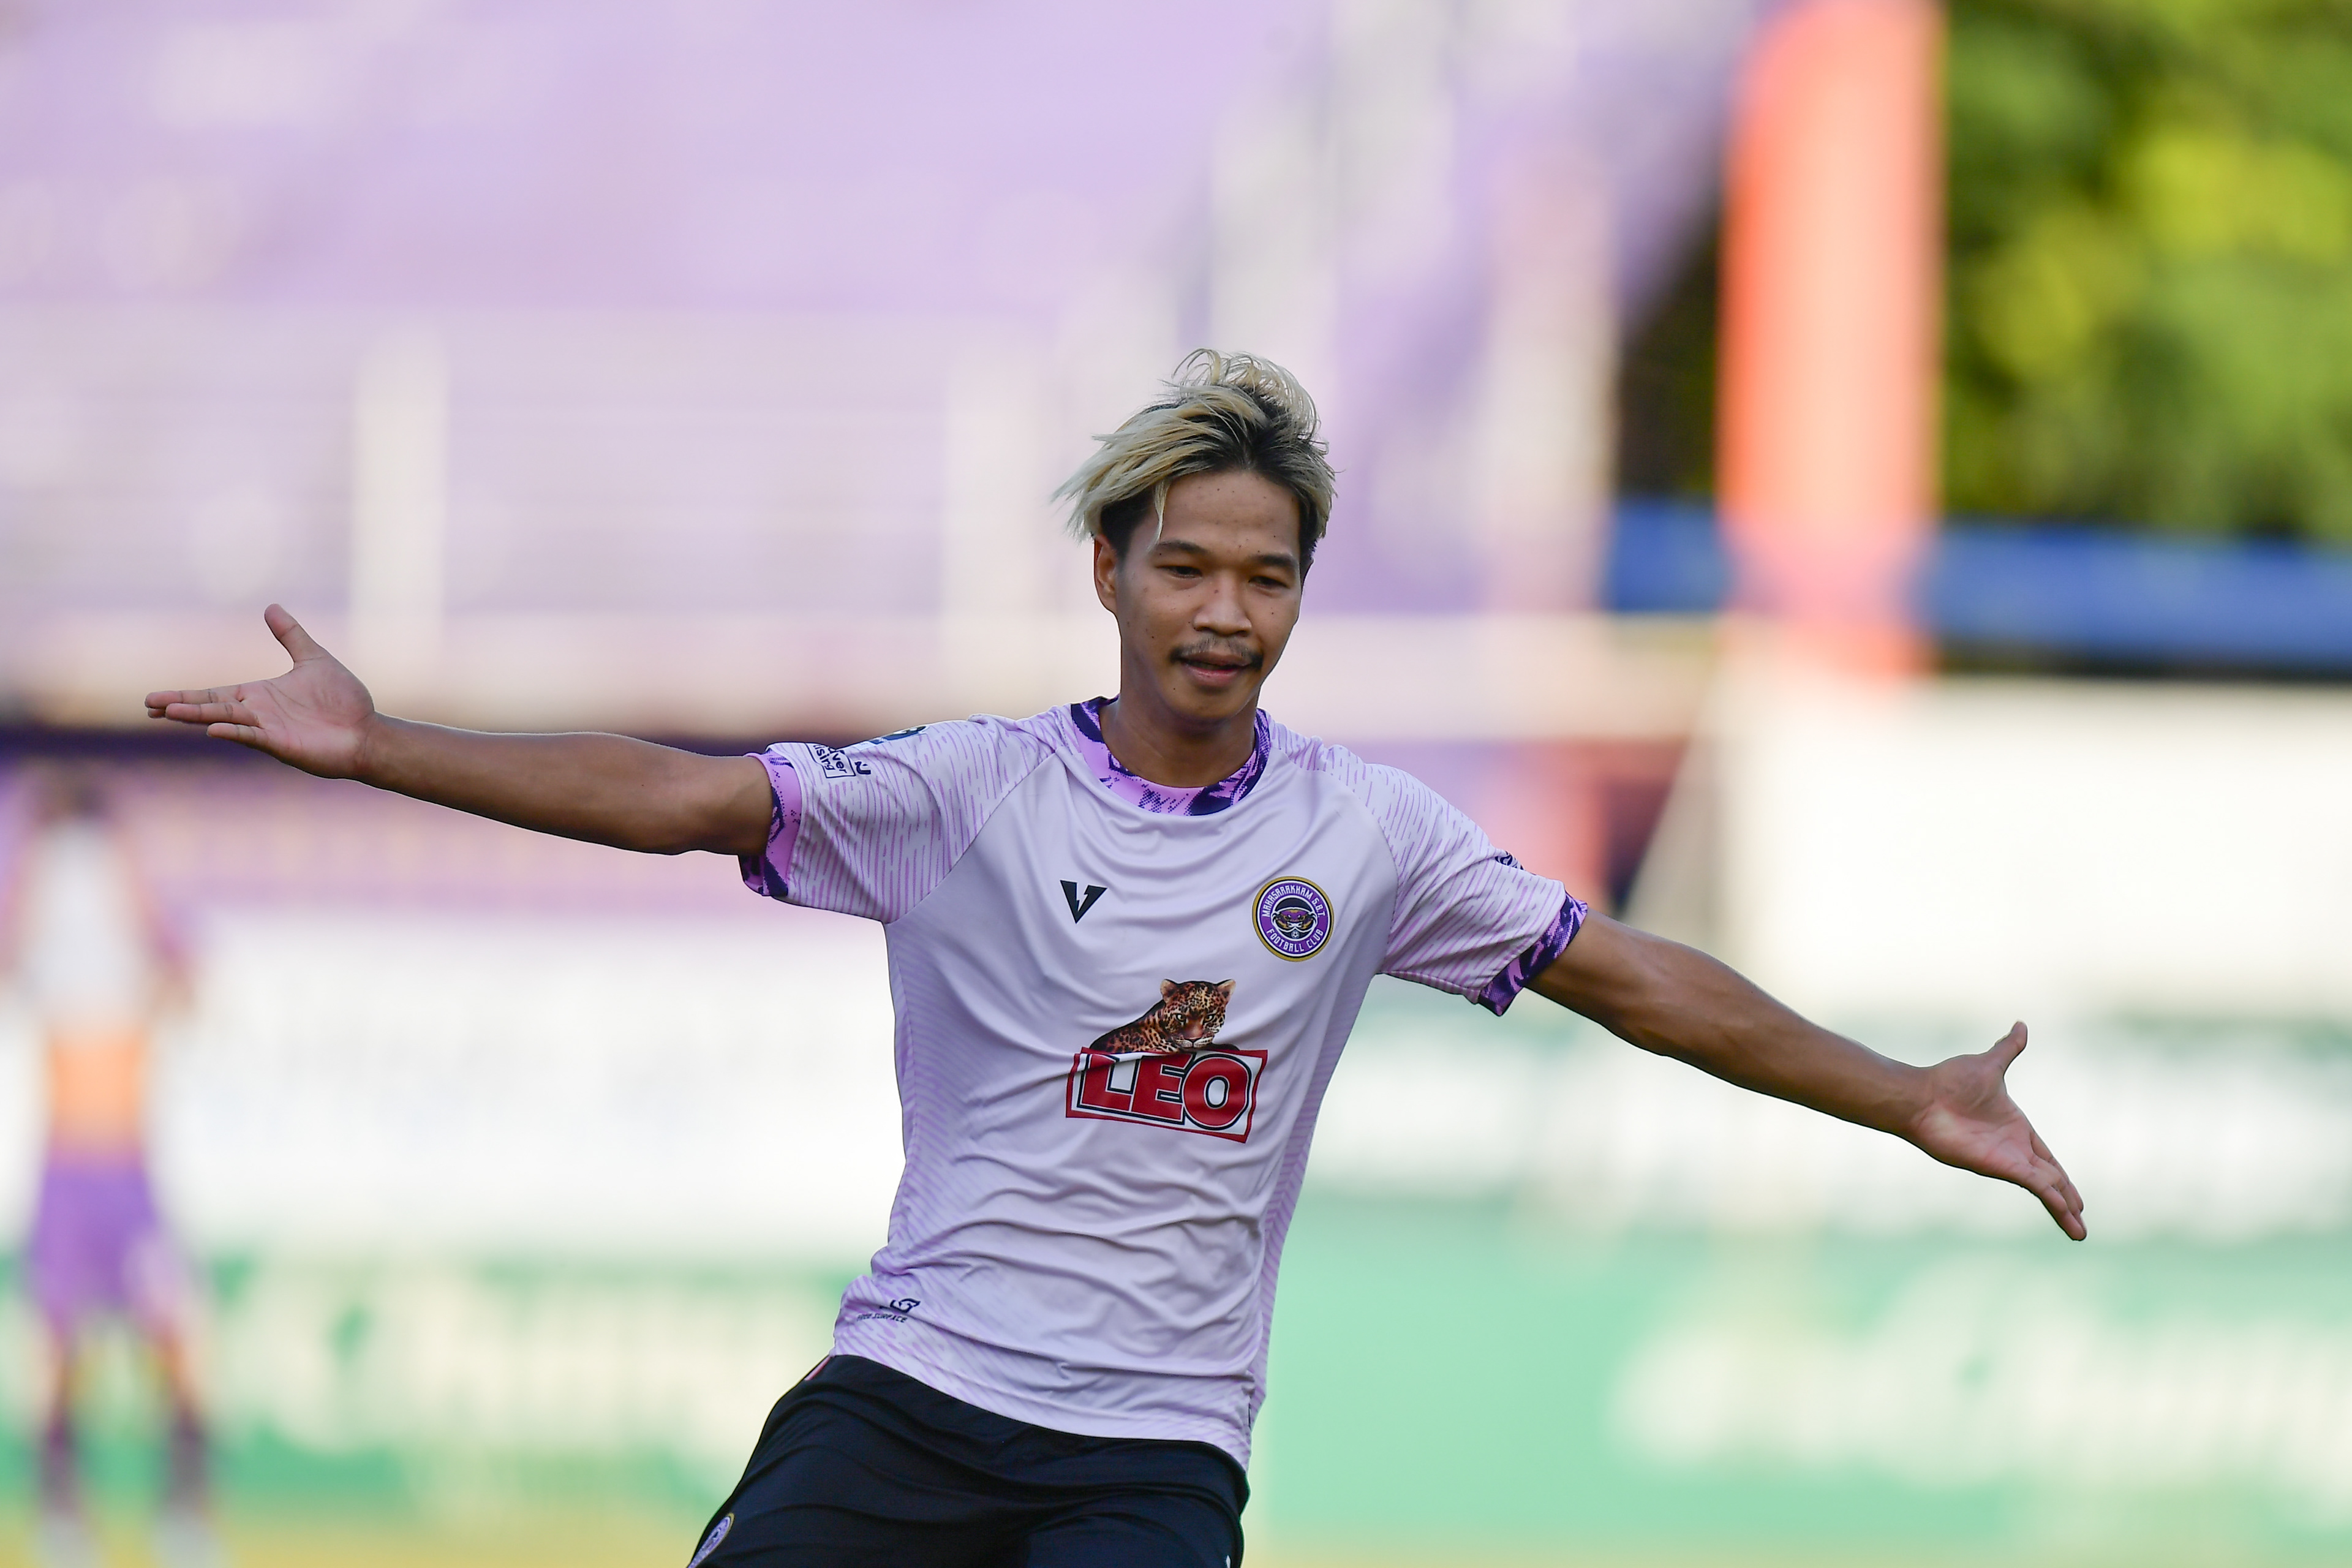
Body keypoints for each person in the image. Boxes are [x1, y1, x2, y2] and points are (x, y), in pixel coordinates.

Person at [145, 350, 2084, 1568]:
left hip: (1149, 1461)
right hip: (907, 1402)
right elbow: (683, 796)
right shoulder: (967, 793)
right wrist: (382, 746)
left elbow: (1631, 978)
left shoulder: (1368, 836)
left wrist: (1906, 1094)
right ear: (1110, 570)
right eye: (1188, 567)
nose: (1226, 611)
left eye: (1268, 576)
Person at [1, 770, 225, 1568]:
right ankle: (62, 1515)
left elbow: (188, 980)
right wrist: (34, 868)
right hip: (66, 1169)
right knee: (55, 1350)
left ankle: (183, 1514)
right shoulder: (43, 934)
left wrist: (131, 883)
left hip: (130, 1171)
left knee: (184, 1337)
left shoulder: (136, 937)